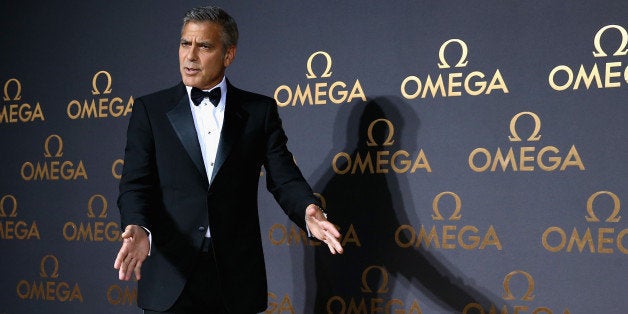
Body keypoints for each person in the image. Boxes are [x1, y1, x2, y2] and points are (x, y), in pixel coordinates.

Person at [113, 6, 343, 313]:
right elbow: (135, 184)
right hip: (171, 271)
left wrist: (307, 208)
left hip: (235, 277)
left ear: (228, 54)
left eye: (204, 46)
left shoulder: (258, 112)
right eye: (185, 44)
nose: (190, 56)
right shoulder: (150, 111)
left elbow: (283, 175)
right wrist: (139, 227)